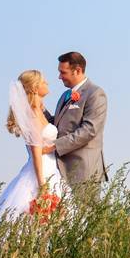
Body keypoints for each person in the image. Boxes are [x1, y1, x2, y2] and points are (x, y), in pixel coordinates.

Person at [0, 70, 67, 229]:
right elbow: (36, 153)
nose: (47, 84)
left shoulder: (40, 110)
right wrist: (42, 185)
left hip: (53, 168)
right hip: (41, 172)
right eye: (43, 82)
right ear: (34, 88)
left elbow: (42, 146)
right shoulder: (32, 115)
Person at [42, 51, 108, 186]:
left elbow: (89, 130)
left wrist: (54, 146)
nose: (59, 77)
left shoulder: (95, 94)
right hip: (62, 171)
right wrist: (39, 108)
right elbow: (57, 126)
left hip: (84, 173)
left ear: (77, 70)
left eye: (63, 72)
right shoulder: (65, 95)